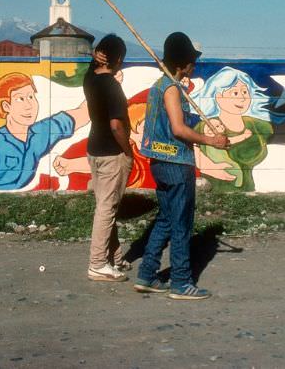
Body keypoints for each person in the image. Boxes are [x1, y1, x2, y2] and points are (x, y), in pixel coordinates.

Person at [134, 32, 229, 300]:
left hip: (159, 162)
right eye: (191, 61)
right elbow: (177, 129)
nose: (194, 65)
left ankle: (147, 274)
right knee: (181, 225)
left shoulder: (159, 85)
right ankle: (181, 283)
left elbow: (173, 124)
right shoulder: (172, 88)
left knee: (165, 219)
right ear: (182, 63)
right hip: (176, 163)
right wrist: (212, 140)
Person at [0, 72, 89, 193]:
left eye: (31, 97)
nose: (29, 106)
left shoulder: (42, 132)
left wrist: (107, 84)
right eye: (20, 99)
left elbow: (83, 113)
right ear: (6, 106)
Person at [83, 35, 133, 282]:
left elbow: (91, 69)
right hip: (112, 153)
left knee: (107, 205)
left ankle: (114, 257)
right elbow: (116, 125)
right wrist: (127, 150)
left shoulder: (90, 79)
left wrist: (93, 60)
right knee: (107, 207)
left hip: (94, 148)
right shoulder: (112, 86)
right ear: (119, 59)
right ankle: (98, 264)